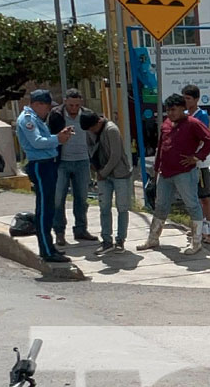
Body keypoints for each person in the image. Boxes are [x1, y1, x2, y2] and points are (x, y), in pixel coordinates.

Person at [139, 94, 210, 255]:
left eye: (173, 110)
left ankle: (196, 242)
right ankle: (153, 238)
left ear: (183, 109)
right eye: (168, 110)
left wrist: (197, 157)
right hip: (165, 172)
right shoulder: (166, 124)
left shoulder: (193, 124)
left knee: (192, 205)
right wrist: (156, 168)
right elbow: (161, 147)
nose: (171, 113)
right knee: (161, 205)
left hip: (185, 173)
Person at [15, 90, 74, 263]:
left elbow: (45, 138)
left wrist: (59, 136)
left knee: (48, 207)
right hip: (41, 165)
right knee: (44, 208)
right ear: (38, 104)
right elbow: (37, 142)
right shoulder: (28, 119)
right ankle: (47, 250)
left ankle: (49, 247)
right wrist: (58, 139)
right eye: (46, 107)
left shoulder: (35, 119)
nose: (47, 111)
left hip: (48, 163)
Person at [48, 89, 95, 245]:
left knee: (82, 198)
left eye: (76, 105)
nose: (73, 108)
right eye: (71, 105)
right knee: (58, 199)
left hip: (82, 161)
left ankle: (81, 229)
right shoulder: (56, 115)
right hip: (62, 161)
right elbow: (49, 137)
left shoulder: (87, 114)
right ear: (65, 101)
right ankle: (59, 232)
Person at [83, 110, 132, 251]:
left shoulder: (111, 130)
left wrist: (103, 172)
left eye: (93, 128)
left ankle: (120, 239)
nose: (91, 131)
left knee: (122, 207)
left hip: (119, 174)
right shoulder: (89, 131)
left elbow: (115, 155)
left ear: (98, 122)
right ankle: (106, 240)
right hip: (101, 174)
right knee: (104, 207)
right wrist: (96, 170)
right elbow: (90, 150)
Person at [182, 84, 210, 245]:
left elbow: (204, 138)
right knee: (192, 199)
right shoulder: (183, 115)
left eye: (188, 98)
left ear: (196, 99)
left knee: (204, 197)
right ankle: (199, 229)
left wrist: (197, 156)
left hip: (200, 163)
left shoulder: (202, 115)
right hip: (186, 162)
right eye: (184, 98)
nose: (186, 101)